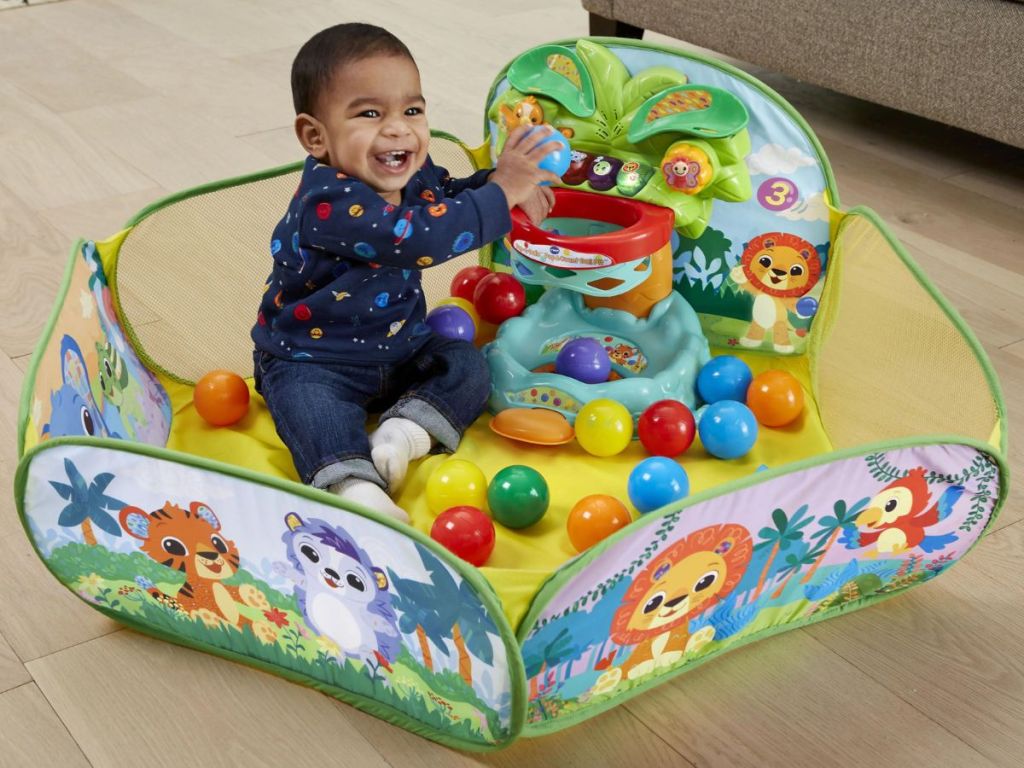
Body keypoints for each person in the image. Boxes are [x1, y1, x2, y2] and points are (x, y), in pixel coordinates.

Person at [252, 23, 559, 522]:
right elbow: (416, 238)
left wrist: (497, 185)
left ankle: (404, 432)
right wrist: (500, 192)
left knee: (468, 365)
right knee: (310, 410)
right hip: (311, 358)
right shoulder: (328, 201)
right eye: (370, 113)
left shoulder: (409, 172)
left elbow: (446, 198)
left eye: (412, 110)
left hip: (400, 348)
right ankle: (353, 484)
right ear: (316, 136)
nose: (399, 129)